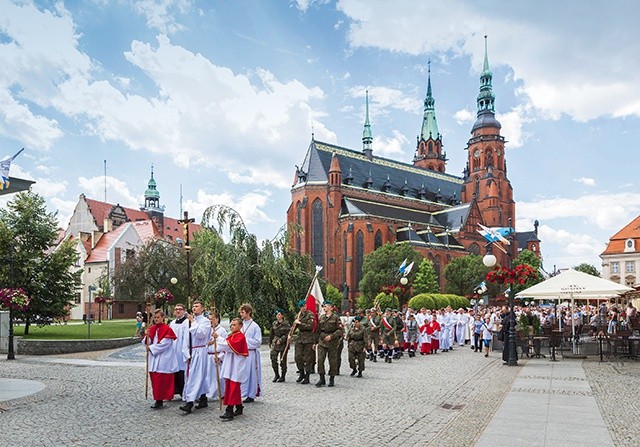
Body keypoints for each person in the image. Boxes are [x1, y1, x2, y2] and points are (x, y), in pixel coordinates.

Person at [179, 300, 212, 413]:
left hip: (200, 350)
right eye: (193, 306)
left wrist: (193, 322)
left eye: (197, 306)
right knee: (194, 375)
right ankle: (203, 398)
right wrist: (186, 352)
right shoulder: (187, 322)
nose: (194, 308)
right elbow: (184, 338)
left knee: (196, 376)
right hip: (191, 350)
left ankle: (190, 402)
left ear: (202, 309)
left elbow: (201, 334)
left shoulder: (206, 322)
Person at [215, 317, 249, 420]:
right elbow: (224, 349)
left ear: (240, 326)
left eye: (234, 325)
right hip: (230, 365)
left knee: (233, 388)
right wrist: (219, 357)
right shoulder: (232, 336)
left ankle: (229, 410)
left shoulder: (240, 337)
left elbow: (229, 346)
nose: (232, 327)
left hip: (236, 366)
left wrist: (218, 338)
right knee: (231, 386)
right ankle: (239, 407)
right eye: (231, 325)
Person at [144, 309, 178, 409]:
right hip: (154, 358)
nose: (156, 319)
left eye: (158, 317)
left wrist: (151, 348)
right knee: (155, 379)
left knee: (161, 379)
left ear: (163, 317)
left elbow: (166, 343)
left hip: (163, 358)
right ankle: (157, 399)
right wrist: (147, 336)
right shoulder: (153, 328)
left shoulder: (167, 329)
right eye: (155, 317)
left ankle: (161, 399)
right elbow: (148, 340)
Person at [315, 300, 343, 387]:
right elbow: (318, 331)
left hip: (332, 342)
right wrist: (315, 342)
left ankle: (331, 378)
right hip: (322, 342)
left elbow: (340, 330)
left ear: (330, 307)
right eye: (323, 306)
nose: (324, 308)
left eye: (326, 306)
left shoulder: (336, 318)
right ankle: (321, 378)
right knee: (320, 360)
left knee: (332, 361)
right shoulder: (321, 317)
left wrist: (332, 336)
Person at [239, 303, 262, 403]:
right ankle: (242, 392)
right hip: (241, 354)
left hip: (251, 354)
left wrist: (244, 341)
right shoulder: (240, 325)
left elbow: (258, 342)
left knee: (251, 374)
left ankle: (251, 394)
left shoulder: (255, 326)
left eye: (242, 312)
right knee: (242, 373)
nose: (241, 314)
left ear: (248, 312)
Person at [291, 299, 316, 385]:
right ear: (300, 307)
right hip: (300, 338)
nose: (304, 307)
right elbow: (294, 326)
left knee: (308, 358)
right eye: (302, 306)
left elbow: (310, 326)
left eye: (305, 306)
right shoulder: (298, 315)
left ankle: (307, 376)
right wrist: (290, 334)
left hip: (308, 338)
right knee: (297, 357)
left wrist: (300, 323)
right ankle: (301, 373)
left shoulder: (310, 314)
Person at [169, 303, 190, 397]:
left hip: (182, 349)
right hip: (173, 350)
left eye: (180, 309)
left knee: (182, 371)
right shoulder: (172, 323)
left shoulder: (187, 322)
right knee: (174, 370)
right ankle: (175, 390)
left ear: (184, 311)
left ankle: (183, 391)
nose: (178, 311)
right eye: (176, 309)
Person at [206, 309, 227, 401]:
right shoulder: (207, 329)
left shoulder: (222, 330)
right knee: (208, 377)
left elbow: (225, 344)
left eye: (212, 319)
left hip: (217, 356)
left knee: (218, 377)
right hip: (208, 356)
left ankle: (221, 393)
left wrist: (219, 357)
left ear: (217, 319)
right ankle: (208, 393)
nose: (210, 321)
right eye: (209, 319)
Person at [269, 308, 291, 383]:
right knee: (273, 358)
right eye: (277, 315)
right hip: (275, 343)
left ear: (282, 315)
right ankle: (276, 374)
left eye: (279, 314)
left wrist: (281, 340)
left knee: (283, 361)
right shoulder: (274, 323)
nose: (277, 316)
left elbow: (288, 334)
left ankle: (283, 376)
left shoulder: (286, 324)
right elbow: (272, 333)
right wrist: (270, 342)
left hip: (283, 344)